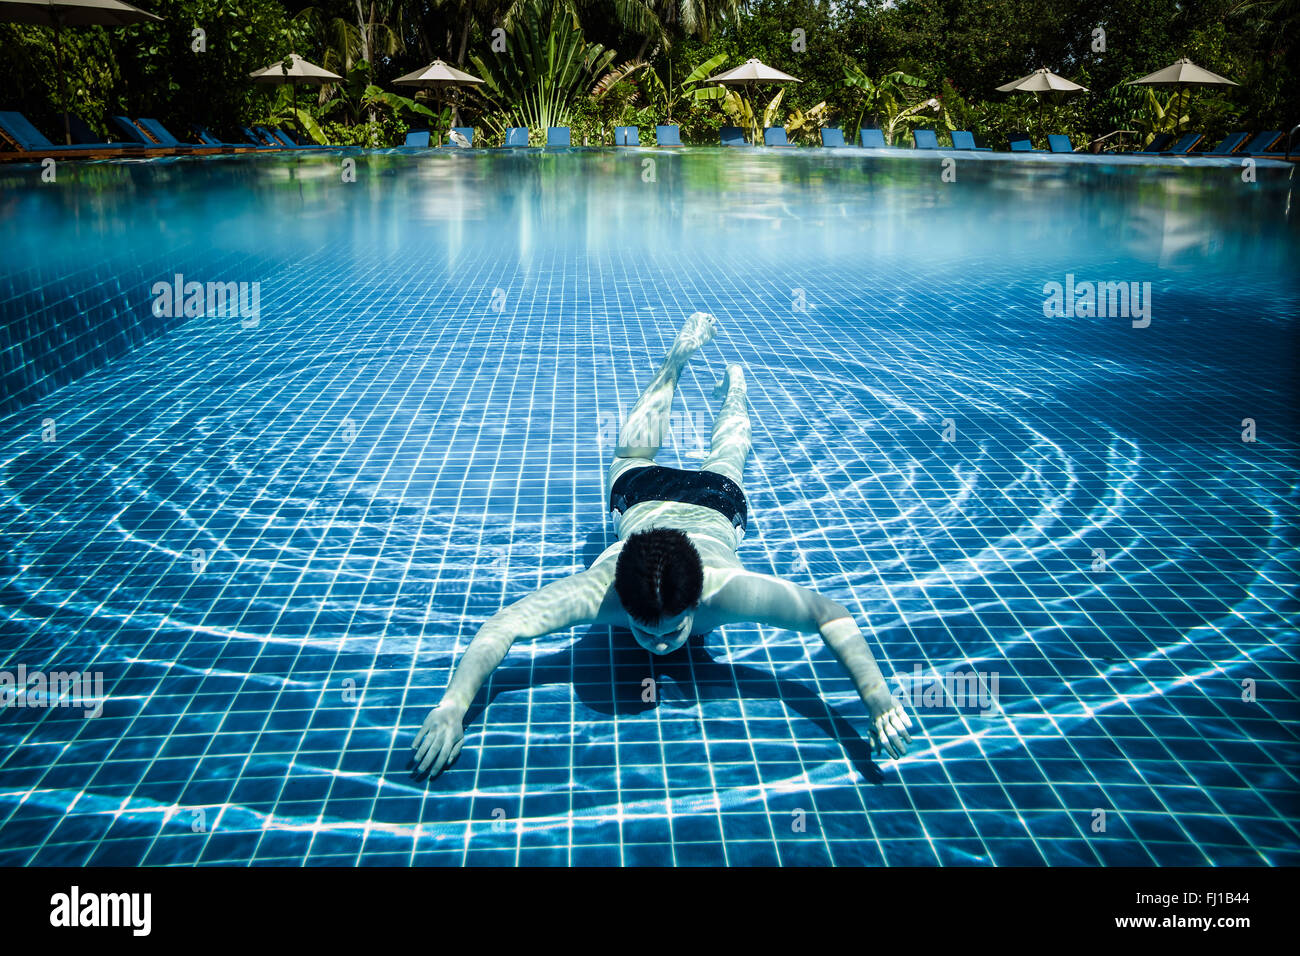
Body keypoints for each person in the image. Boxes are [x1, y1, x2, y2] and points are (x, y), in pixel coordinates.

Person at [413, 312, 913, 776]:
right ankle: (675, 362)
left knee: (723, 453)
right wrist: (452, 707)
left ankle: (731, 386)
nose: (658, 645)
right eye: (645, 631)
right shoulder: (600, 590)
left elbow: (831, 614)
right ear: (620, 600)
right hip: (653, 499)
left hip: (707, 508)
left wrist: (879, 700)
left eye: (671, 630)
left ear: (697, 599)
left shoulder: (726, 591)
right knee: (656, 453)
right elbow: (503, 627)